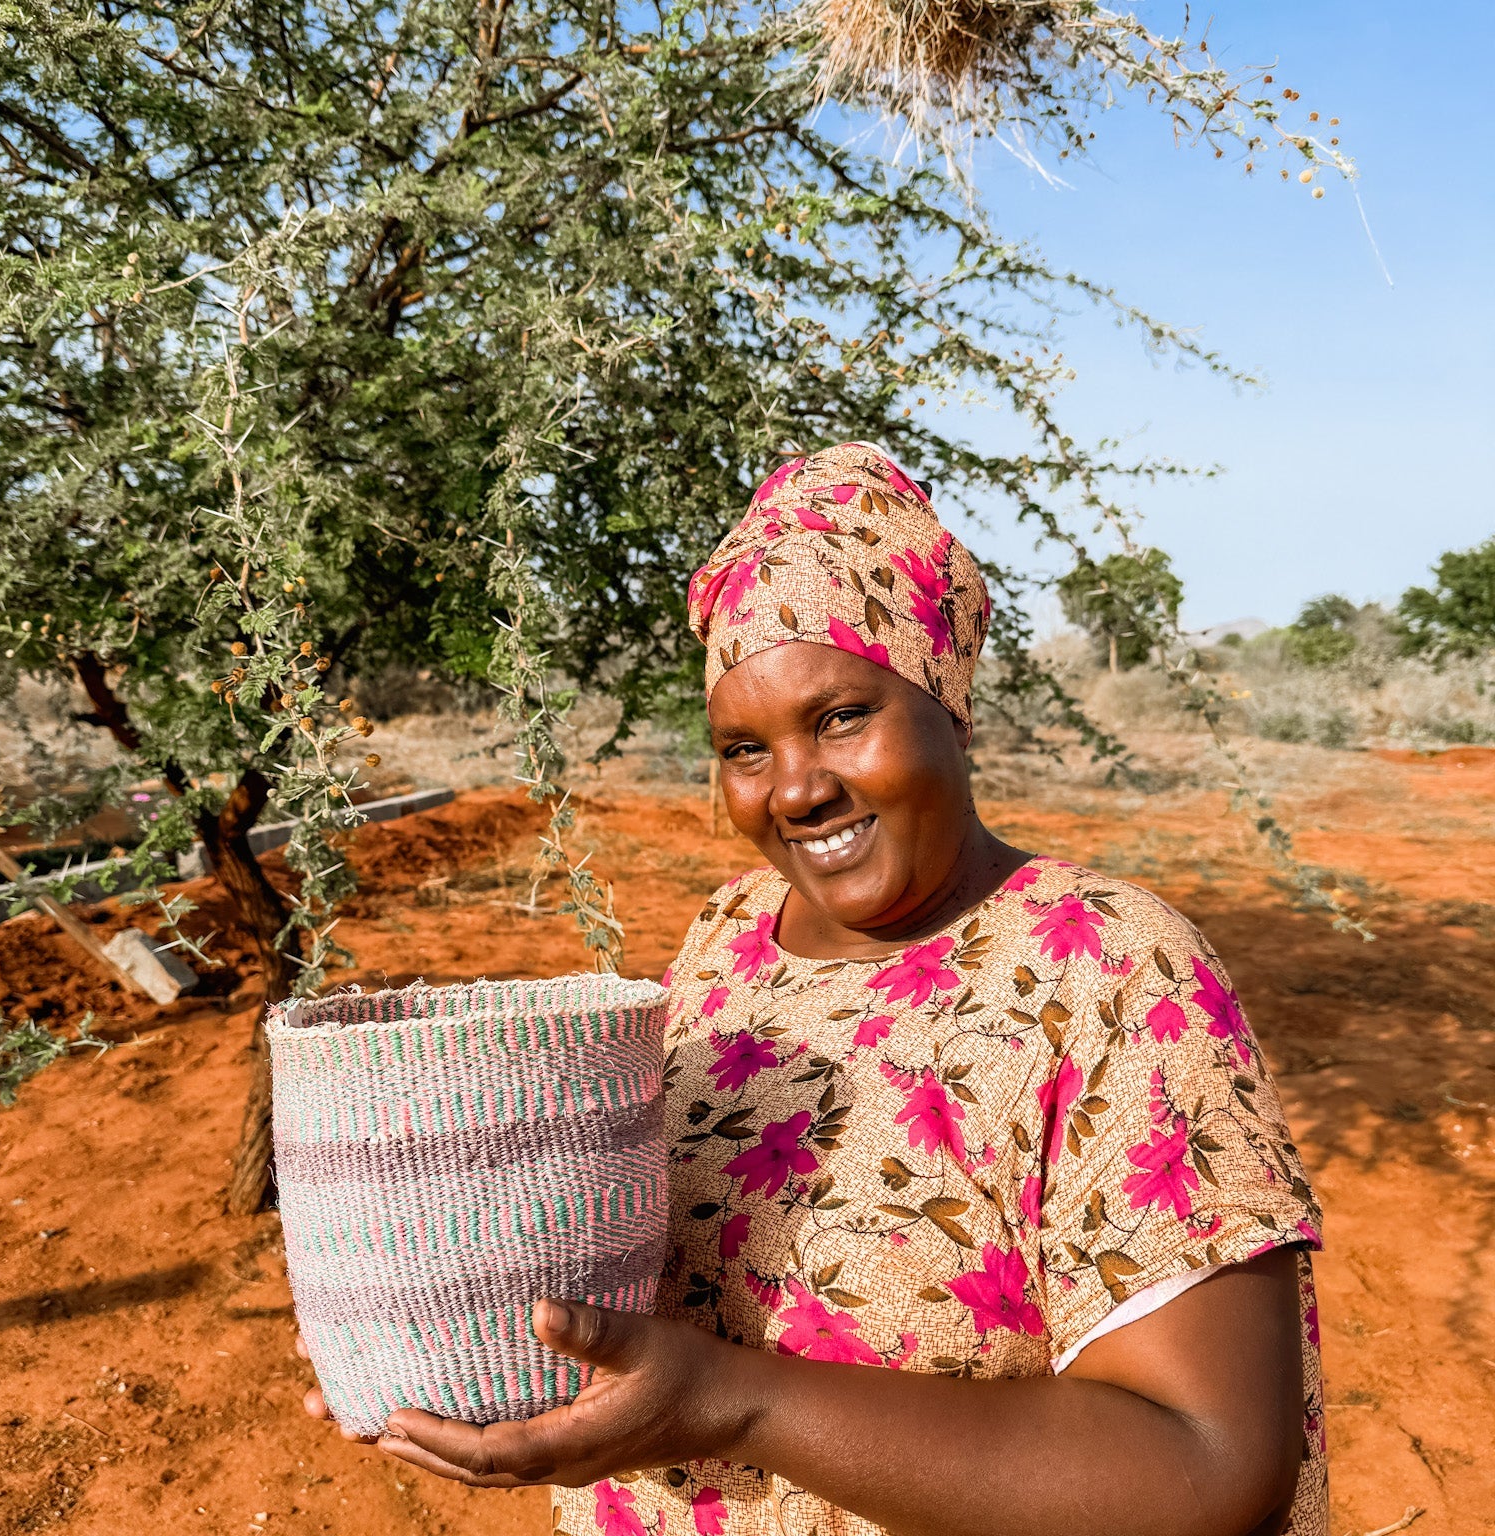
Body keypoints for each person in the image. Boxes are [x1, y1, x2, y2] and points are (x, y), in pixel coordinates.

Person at [302, 441, 1327, 1536]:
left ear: (948, 704)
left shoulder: (1111, 967)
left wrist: (735, 1406)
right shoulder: (728, 941)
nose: (794, 788)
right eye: (744, 747)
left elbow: (1207, 1465)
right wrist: (433, 1316)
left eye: (841, 716)